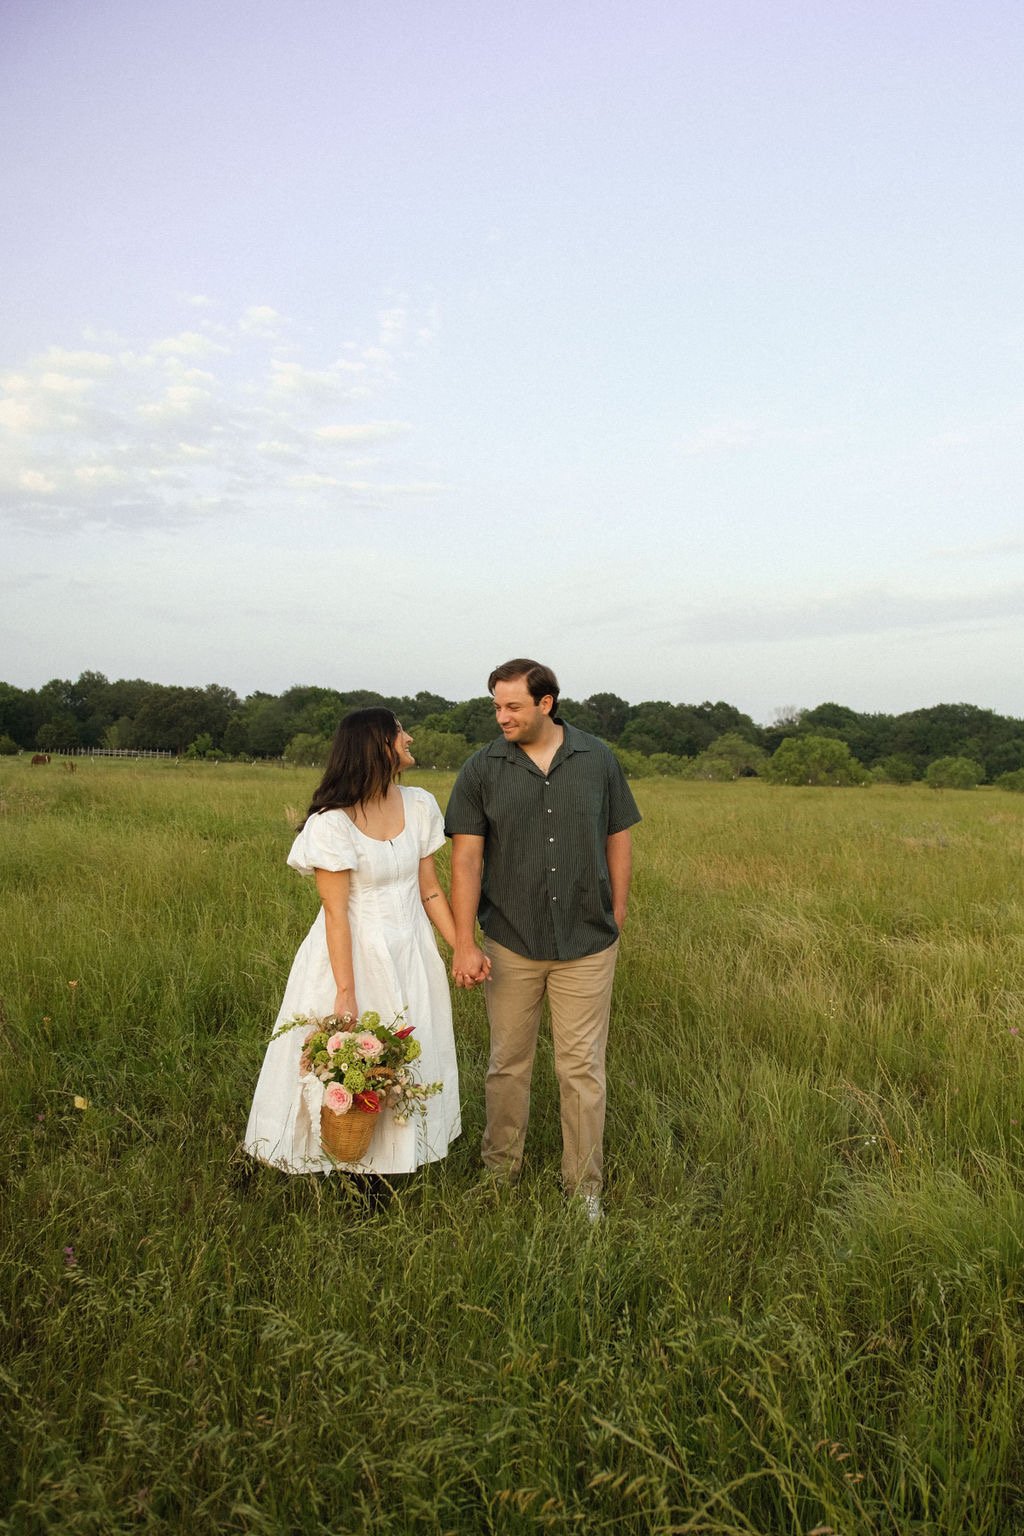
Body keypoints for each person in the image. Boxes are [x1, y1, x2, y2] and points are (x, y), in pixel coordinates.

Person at [444, 659, 640, 1221]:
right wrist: (464, 941)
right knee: (508, 1064)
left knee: (581, 1069)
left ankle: (584, 1191)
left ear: (545, 704)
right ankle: (500, 1174)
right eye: (496, 707)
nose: (501, 717)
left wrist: (616, 914)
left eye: (513, 707)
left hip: (587, 943)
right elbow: (467, 858)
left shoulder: (597, 759)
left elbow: (618, 837)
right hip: (510, 939)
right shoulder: (482, 768)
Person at [244, 708, 461, 1176]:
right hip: (351, 955)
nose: (408, 736)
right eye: (398, 731)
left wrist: (462, 945)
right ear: (375, 746)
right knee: (346, 1056)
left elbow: (430, 889)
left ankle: (396, 1161)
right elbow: (335, 914)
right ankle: (330, 1159)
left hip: (412, 950)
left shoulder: (420, 804)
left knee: (407, 1053)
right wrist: (345, 991)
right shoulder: (332, 824)